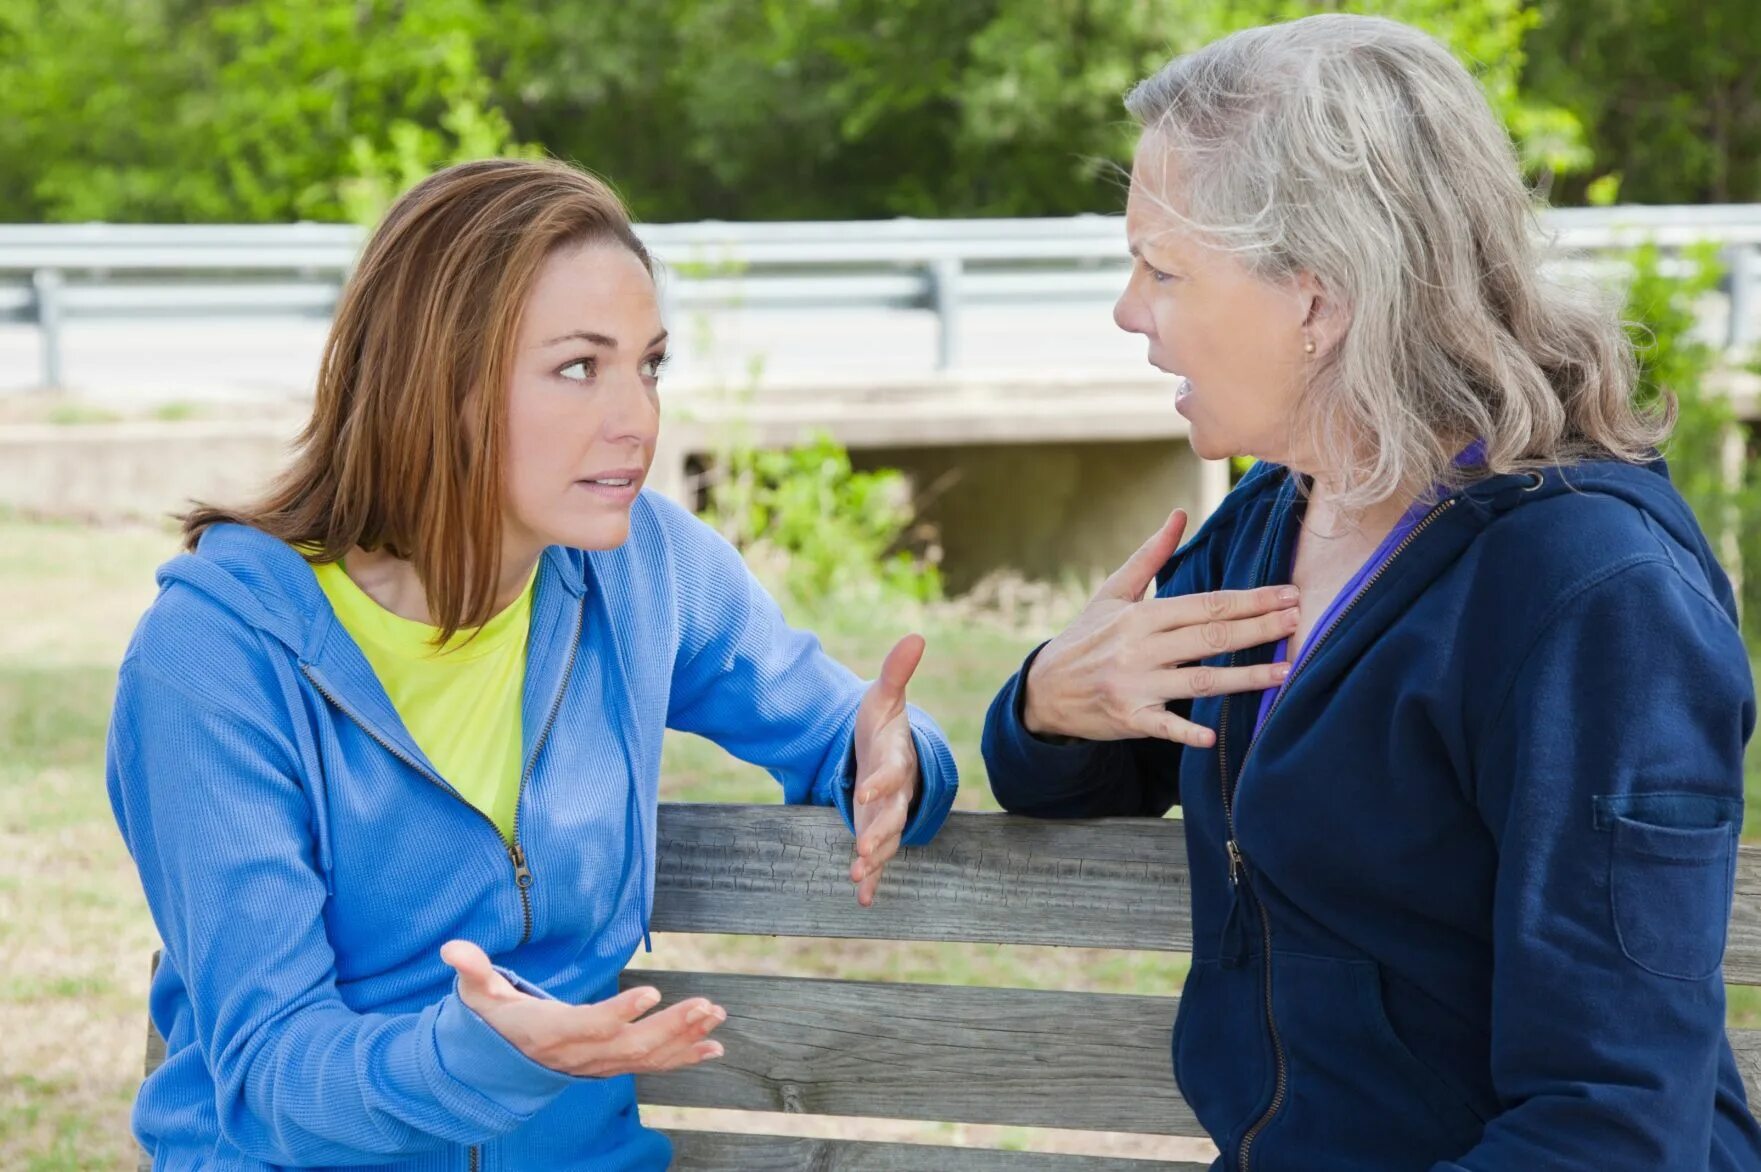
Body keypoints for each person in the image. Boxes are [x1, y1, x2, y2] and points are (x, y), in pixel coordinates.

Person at [982, 14, 1761, 1170]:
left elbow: (1612, 1121)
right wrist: (1053, 695)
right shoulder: (1278, 511)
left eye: (1163, 268)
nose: (1128, 309)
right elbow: (1087, 771)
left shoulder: (1598, 600)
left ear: (1319, 295)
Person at [106, 157, 959, 1171]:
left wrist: (894, 759)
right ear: (444, 384)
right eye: (577, 367)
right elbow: (278, 1076)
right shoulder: (218, 657)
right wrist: (476, 1056)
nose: (636, 418)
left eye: (649, 364)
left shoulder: (643, 569)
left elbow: (842, 726)